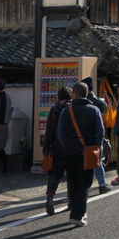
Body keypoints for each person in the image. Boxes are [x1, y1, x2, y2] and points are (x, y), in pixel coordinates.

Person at [57, 82, 104, 227]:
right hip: (88, 151)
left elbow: (60, 133)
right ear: (87, 93)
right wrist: (96, 148)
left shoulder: (66, 111)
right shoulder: (94, 110)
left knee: (73, 181)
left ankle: (76, 209)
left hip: (70, 151)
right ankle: (77, 215)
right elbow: (100, 132)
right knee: (85, 182)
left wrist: (67, 146)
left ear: (74, 94)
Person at [43, 86, 72, 215]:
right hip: (71, 148)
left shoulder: (54, 110)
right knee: (71, 176)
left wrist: (46, 148)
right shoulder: (72, 109)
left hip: (56, 148)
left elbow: (48, 131)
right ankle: (71, 201)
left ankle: (49, 197)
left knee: (55, 175)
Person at [81, 77, 111, 194]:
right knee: (97, 162)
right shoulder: (99, 103)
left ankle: (82, 187)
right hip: (94, 136)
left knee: (82, 164)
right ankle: (102, 184)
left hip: (80, 138)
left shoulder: (74, 105)